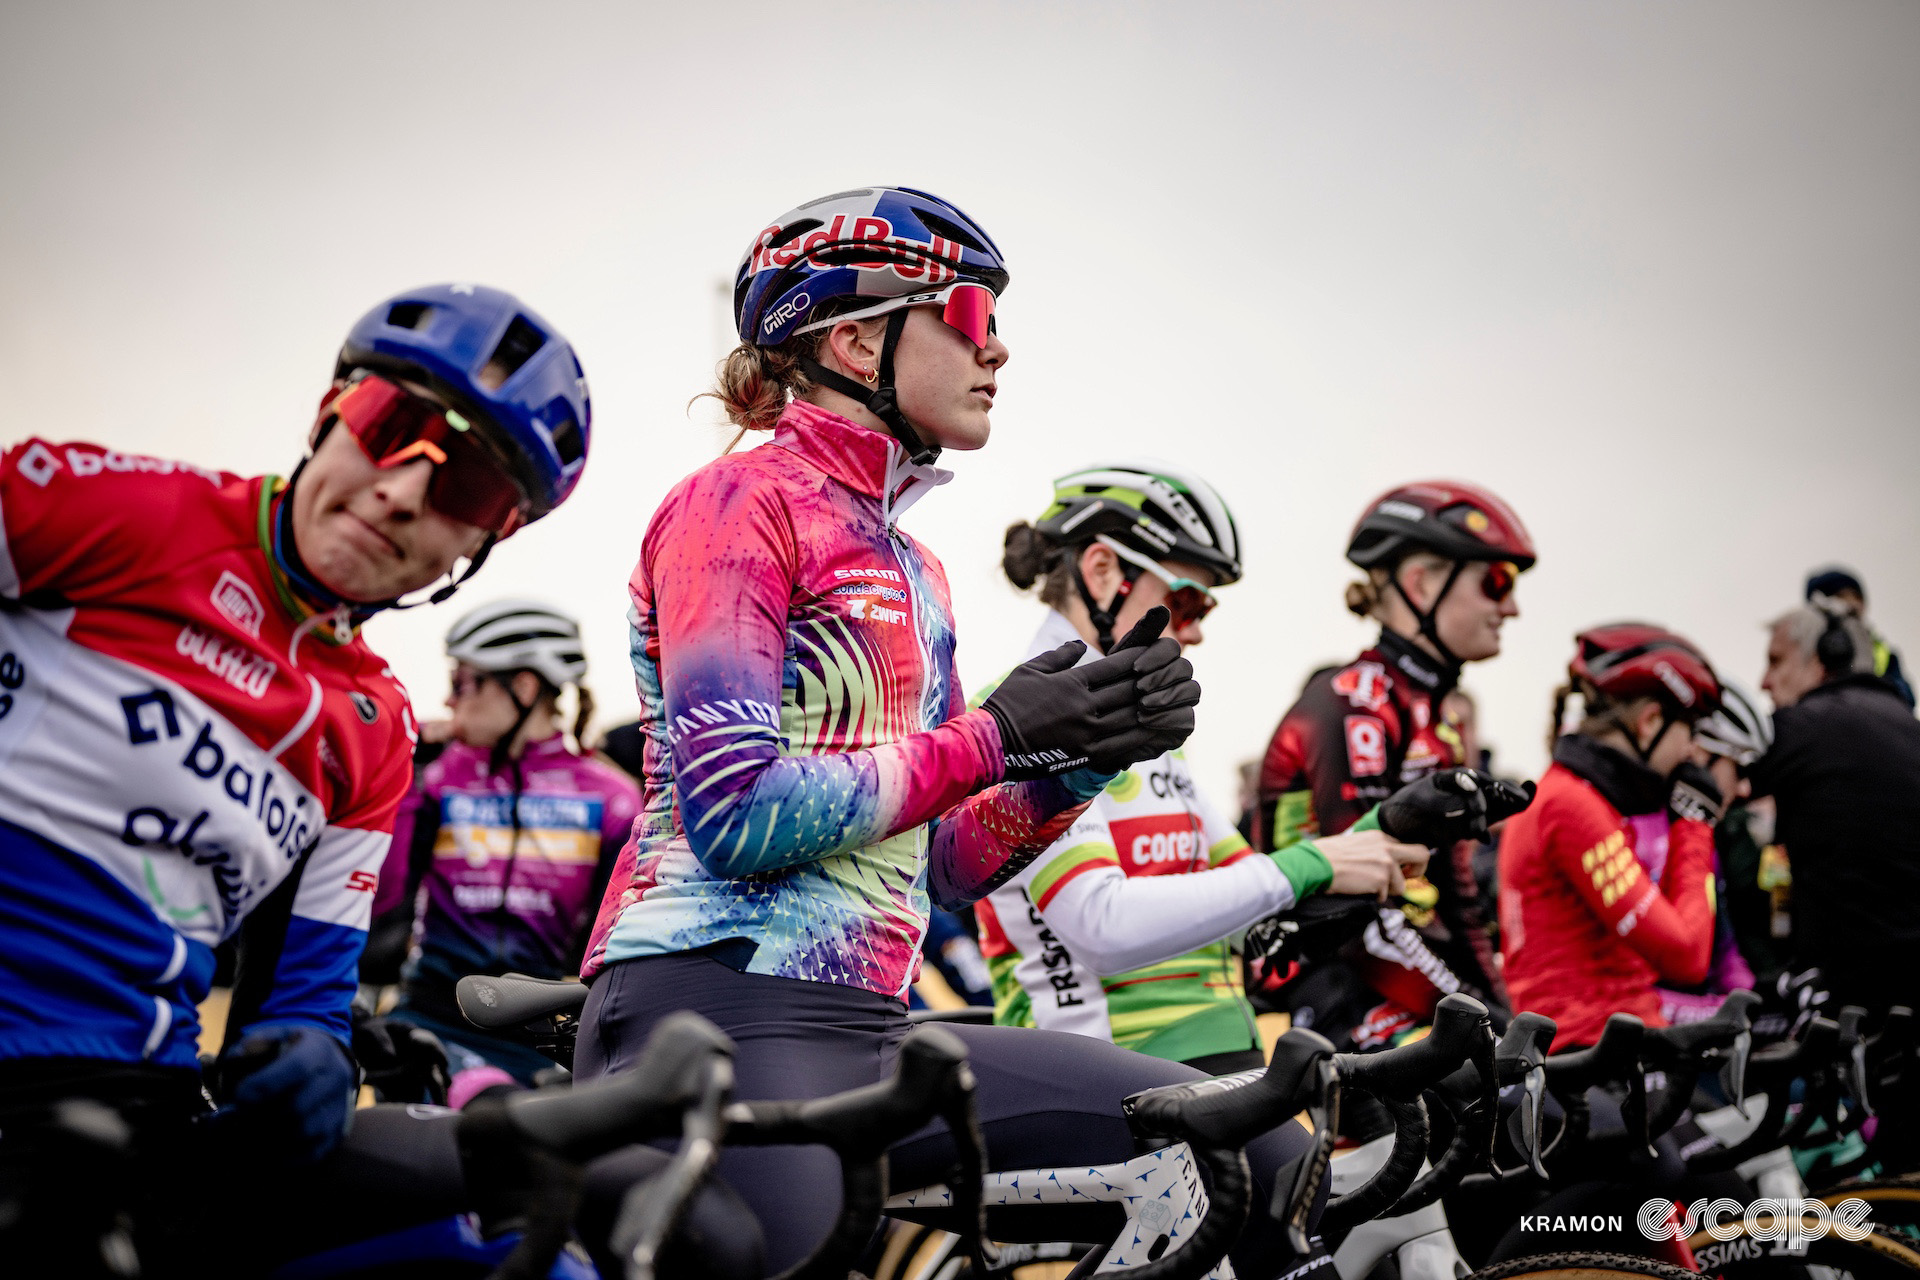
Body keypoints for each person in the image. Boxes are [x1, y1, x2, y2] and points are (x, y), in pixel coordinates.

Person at [572, 187, 1316, 1278]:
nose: (999, 349)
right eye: (971, 315)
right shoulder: (737, 504)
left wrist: (1077, 760)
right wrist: (999, 732)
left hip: (869, 1021)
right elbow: (733, 815)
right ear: (858, 333)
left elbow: (948, 865)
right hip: (714, 1007)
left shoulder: (914, 566)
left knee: (1254, 1144)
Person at [0, 285, 592, 1265]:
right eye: (388, 424)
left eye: (467, 488)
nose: (400, 490)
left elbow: (303, 995)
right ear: (330, 413)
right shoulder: (108, 505)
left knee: (545, 1250)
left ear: (482, 544)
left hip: (141, 1110)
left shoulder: (378, 727)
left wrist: (316, 1057)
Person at [977, 461, 1429, 1072]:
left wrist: (1390, 826)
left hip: (1219, 1053)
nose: (1194, 633)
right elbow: (1101, 928)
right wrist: (1311, 864)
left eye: (1203, 610)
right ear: (1103, 570)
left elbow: (1256, 888)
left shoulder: (1147, 729)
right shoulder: (1016, 720)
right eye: (1186, 601)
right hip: (1104, 1066)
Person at [1252, 481, 1534, 1047]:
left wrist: (1501, 1007)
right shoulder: (1353, 705)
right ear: (1421, 583)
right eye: (1496, 581)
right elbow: (1361, 909)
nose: (1511, 607)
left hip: (1395, 966)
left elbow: (1457, 895)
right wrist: (1484, 1019)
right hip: (1322, 977)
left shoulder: (1432, 714)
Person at [363, 599, 639, 1100]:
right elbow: (380, 898)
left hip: (534, 1033)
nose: (450, 701)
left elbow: (614, 954)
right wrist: (402, 777)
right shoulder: (440, 776)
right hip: (428, 1012)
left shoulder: (614, 801)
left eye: (464, 683)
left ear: (525, 688)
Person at [1499, 624, 1724, 1049]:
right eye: (1690, 731)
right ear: (1649, 722)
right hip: (1594, 1054)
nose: (1692, 753)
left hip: (1612, 1045)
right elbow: (1688, 955)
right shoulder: (1571, 805)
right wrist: (1696, 825)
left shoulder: (1578, 796)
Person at [1750, 599, 1920, 1015]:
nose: (1764, 682)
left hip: (1848, 995)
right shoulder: (1908, 726)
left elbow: (1716, 784)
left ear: (1824, 659)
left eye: (1776, 662)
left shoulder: (1800, 727)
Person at [1693, 681, 1791, 988]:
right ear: (1701, 753)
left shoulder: (1703, 833)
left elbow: (1725, 950)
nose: (1745, 788)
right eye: (1739, 768)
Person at [1805, 565, 1913, 708]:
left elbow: (1907, 699)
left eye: (1857, 597)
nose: (1853, 604)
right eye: (1841, 596)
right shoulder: (1805, 647)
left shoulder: (1883, 652)